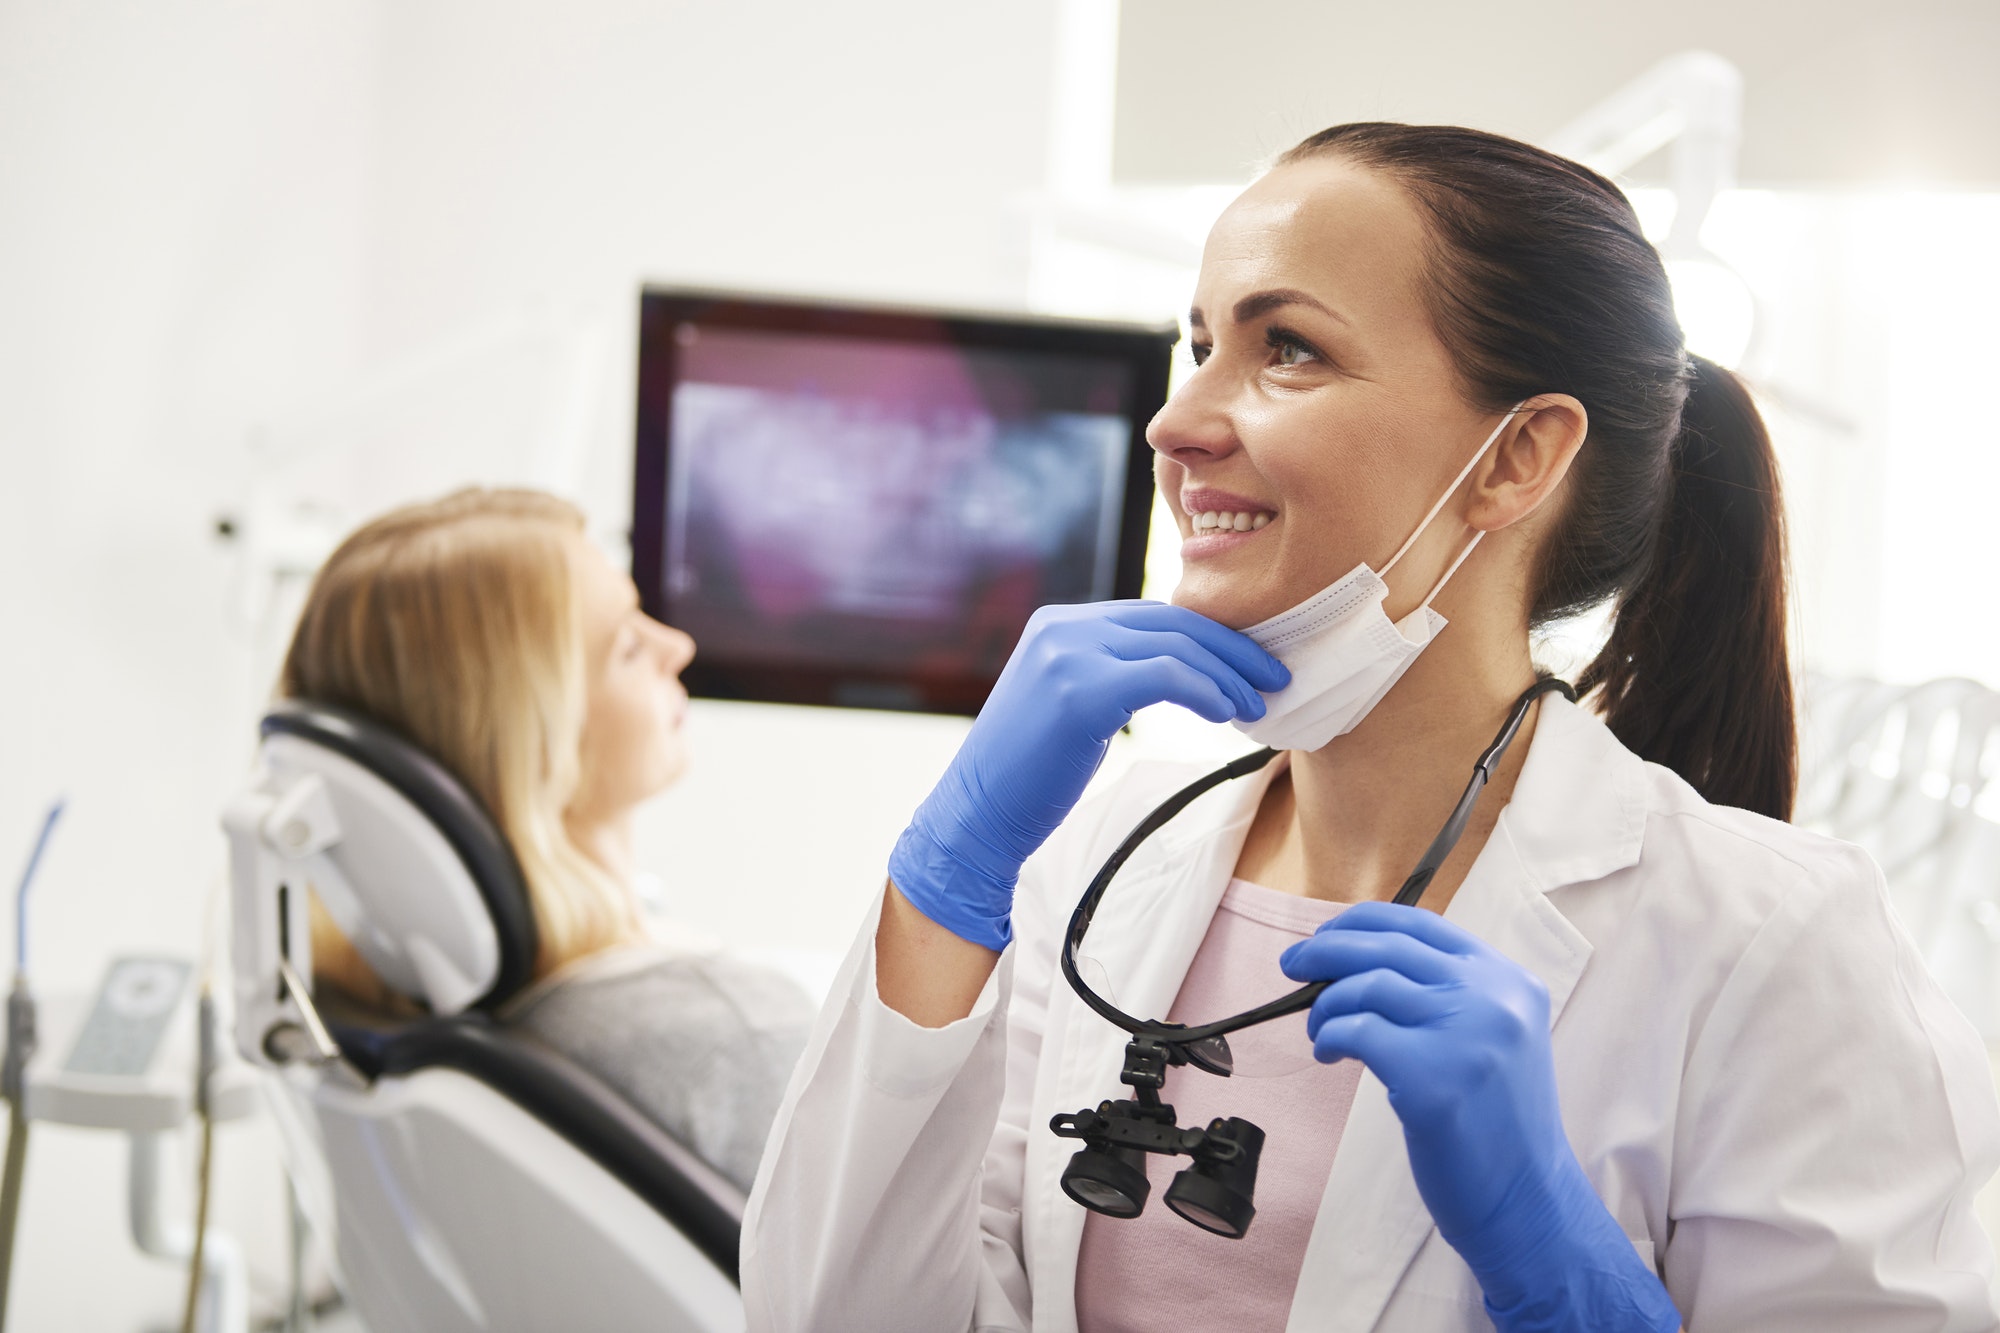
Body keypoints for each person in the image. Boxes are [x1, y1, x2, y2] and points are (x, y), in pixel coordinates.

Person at [741, 124, 2000, 1332]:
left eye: (1283, 347)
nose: (1174, 425)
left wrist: (1556, 1267)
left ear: (1514, 458)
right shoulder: (1096, 864)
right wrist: (947, 870)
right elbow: (824, 1315)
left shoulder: (1770, 942)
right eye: (1200, 347)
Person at [281, 487, 813, 1193]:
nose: (676, 645)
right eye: (627, 645)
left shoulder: (383, 1011)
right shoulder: (732, 1038)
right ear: (534, 748)